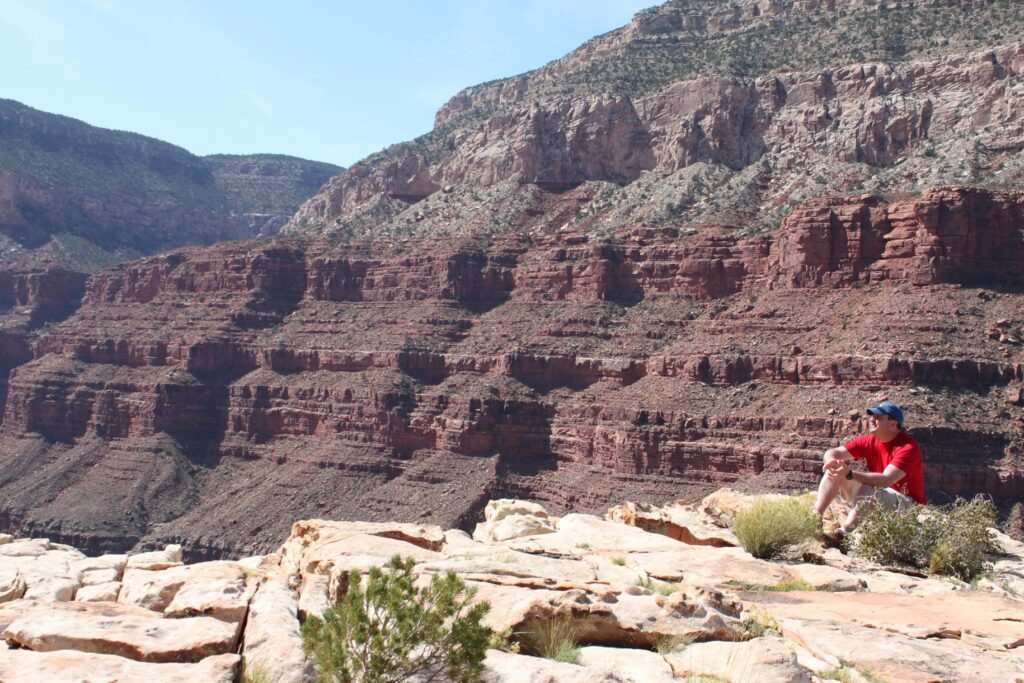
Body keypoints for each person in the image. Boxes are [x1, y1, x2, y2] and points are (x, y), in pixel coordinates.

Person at [812, 400, 926, 539]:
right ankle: (814, 519)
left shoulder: (907, 448)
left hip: (906, 506)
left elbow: (885, 481)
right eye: (872, 416)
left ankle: (843, 535)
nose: (872, 419)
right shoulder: (869, 441)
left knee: (868, 489)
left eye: (878, 417)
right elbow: (833, 452)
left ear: (893, 424)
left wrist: (849, 474)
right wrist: (831, 462)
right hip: (877, 498)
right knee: (834, 470)